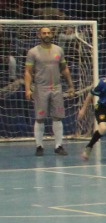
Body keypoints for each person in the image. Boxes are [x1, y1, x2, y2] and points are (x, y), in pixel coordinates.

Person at [25, 26, 76, 156]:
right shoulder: (33, 52)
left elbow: (64, 69)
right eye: (44, 33)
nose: (46, 35)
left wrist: (71, 85)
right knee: (40, 118)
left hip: (57, 88)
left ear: (52, 34)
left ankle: (59, 146)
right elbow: (28, 72)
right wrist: (27, 89)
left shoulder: (58, 50)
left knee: (57, 117)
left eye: (48, 33)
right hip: (40, 88)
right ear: (39, 35)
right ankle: (39, 146)